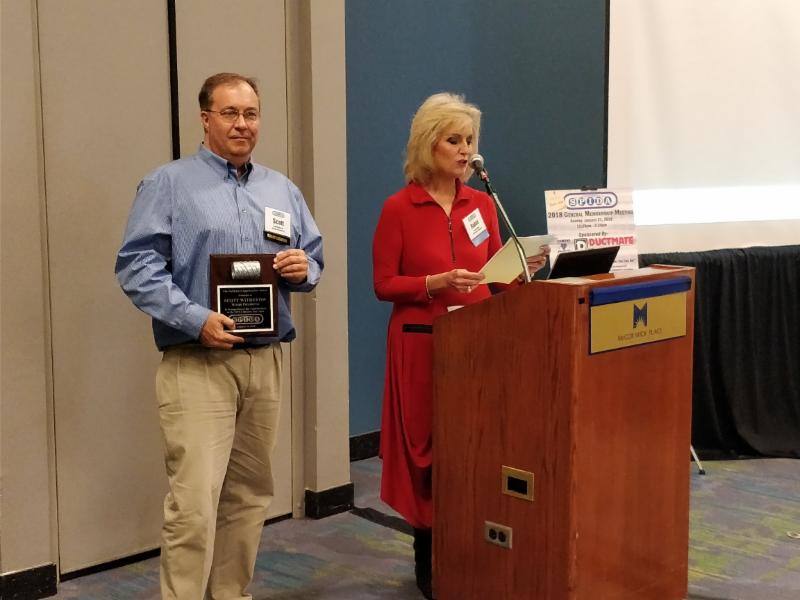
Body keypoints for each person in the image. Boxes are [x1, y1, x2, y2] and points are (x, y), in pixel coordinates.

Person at [115, 72, 323, 600]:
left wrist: (305, 268)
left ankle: (231, 594)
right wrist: (194, 319)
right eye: (230, 113)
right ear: (205, 119)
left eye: (251, 114)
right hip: (197, 362)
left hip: (265, 361)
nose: (242, 124)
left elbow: (312, 257)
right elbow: (137, 267)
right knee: (193, 505)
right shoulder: (168, 184)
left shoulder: (281, 189)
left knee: (250, 496)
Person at [372, 92, 547, 599]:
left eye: (469, 139)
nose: (466, 149)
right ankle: (428, 559)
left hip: (477, 345)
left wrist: (522, 268)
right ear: (429, 144)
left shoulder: (483, 204)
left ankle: (472, 550)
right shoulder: (398, 208)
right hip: (421, 347)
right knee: (430, 453)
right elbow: (384, 284)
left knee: (473, 447)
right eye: (454, 140)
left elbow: (495, 277)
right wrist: (436, 281)